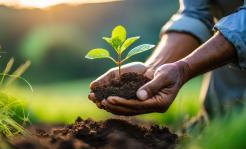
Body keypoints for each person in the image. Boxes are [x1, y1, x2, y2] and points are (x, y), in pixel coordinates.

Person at [88, 0, 246, 120]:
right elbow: (194, 14)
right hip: (229, 64)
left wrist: (183, 69)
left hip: (230, 49)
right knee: (223, 120)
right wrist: (153, 68)